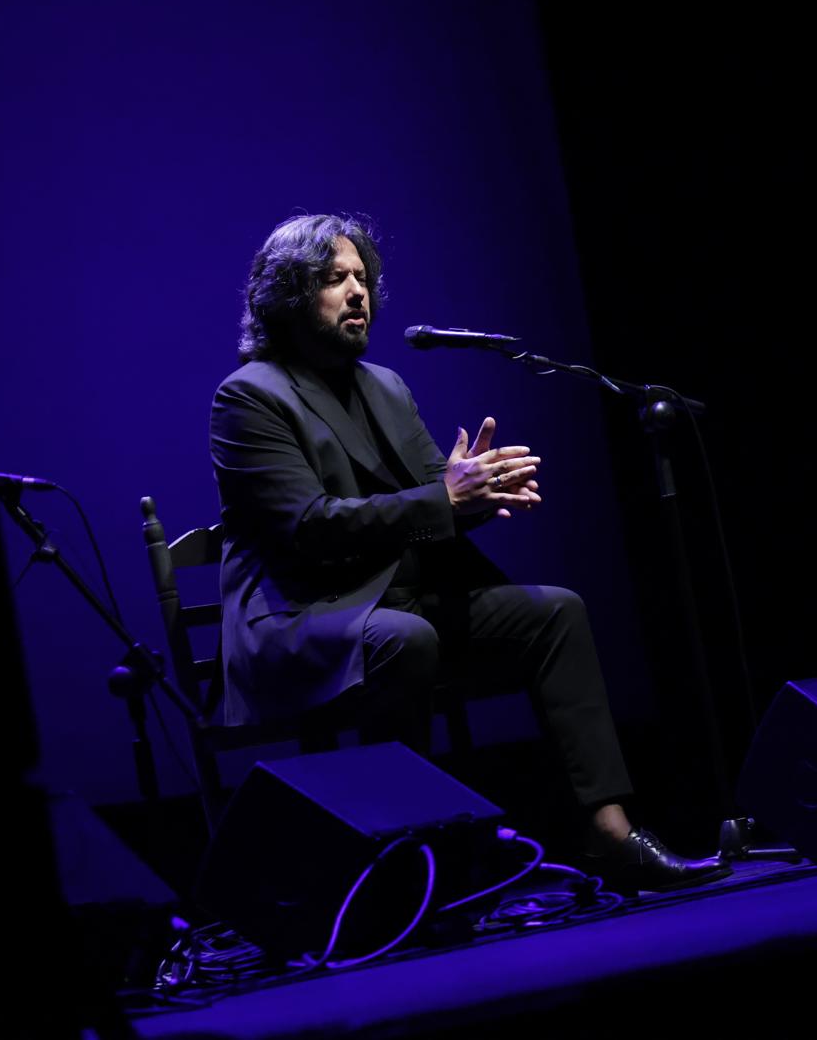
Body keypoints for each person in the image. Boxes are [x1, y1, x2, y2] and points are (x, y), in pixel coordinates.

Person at [211, 213, 728, 890]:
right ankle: (412, 855)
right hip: (306, 617)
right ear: (288, 294)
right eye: (335, 279)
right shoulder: (250, 397)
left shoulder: (385, 386)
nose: (358, 292)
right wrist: (445, 501)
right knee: (407, 639)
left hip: (395, 599)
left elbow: (435, 506)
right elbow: (307, 529)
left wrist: (480, 495)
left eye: (362, 277)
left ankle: (610, 834)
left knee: (555, 613)